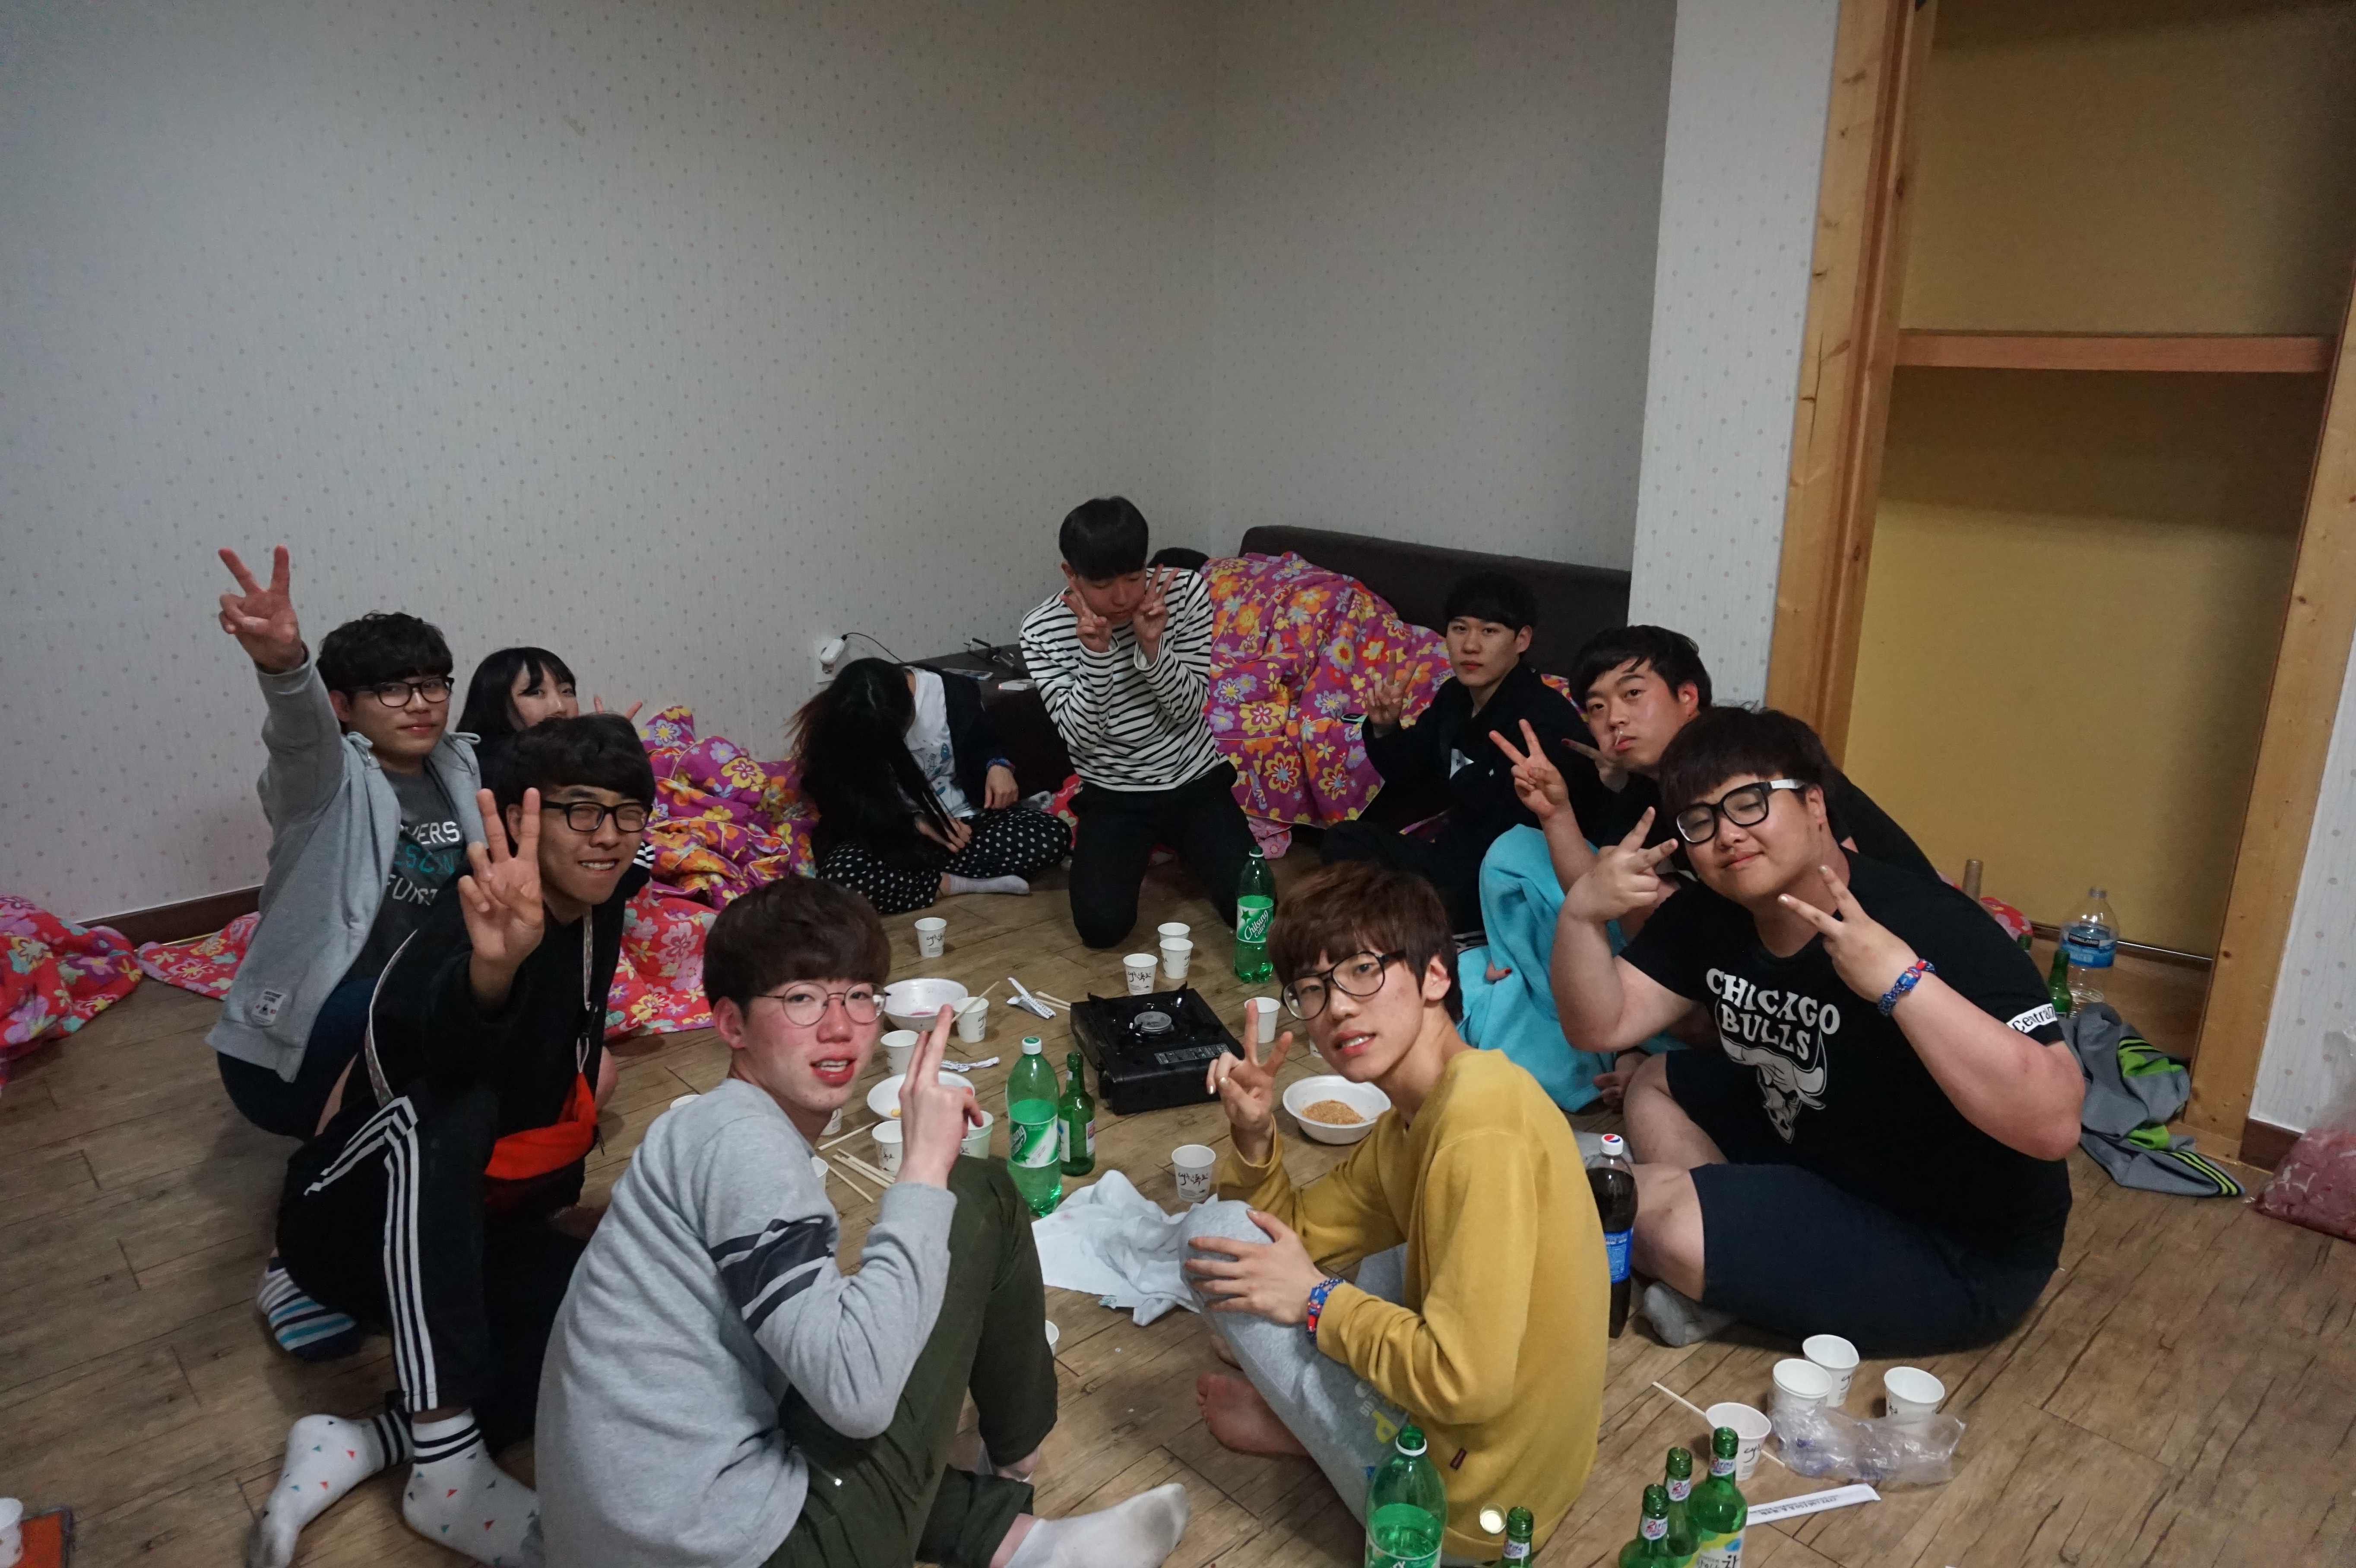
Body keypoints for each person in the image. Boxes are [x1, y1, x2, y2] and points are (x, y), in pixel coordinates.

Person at [534, 876, 1191, 1568]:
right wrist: (924, 1167)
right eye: (801, 998)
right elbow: (858, 1397)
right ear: (730, 1024)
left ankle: (1023, 1544)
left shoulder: (699, 1126)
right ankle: (1017, 1463)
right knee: (978, 1192)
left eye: (858, 996)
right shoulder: (744, 1142)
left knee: (847, 1335)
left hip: (626, 1532)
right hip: (740, 1549)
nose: (840, 1026)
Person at [245, 715, 656, 1568]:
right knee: (451, 1107)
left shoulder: (602, 902)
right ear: (521, 818)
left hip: (466, 1237)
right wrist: (494, 967)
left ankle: (367, 1440)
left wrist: (558, 1218)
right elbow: (444, 1064)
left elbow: (554, 1073)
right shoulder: (472, 921)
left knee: (617, 1299)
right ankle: (446, 1467)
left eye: (627, 812)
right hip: (348, 1224)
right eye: (581, 810)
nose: (609, 834)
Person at [1550, 706, 2081, 1354]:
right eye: (1699, 820)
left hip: (1953, 1250)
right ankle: (1740, 1263)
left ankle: (1720, 1257)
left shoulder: (1930, 922)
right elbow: (1598, 1023)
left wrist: (1901, 983)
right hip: (1822, 1156)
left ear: (1815, 804)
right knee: (1657, 1080)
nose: (1727, 835)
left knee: (1646, 1215)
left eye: (1749, 803)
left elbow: (2054, 1124)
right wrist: (1581, 917)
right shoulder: (1712, 913)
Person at [1179, 861, 1606, 1563]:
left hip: (1461, 1513)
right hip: (1521, 1462)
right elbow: (1292, 1236)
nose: (1337, 1008)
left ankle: (1306, 1428)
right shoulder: (1419, 1115)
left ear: (1436, 975)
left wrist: (1316, 1301)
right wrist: (1254, 1137)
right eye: (1312, 989)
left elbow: (1465, 1381)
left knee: (1209, 1236)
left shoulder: (1477, 1131)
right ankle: (1312, 1418)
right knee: (1356, 1257)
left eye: (1362, 971)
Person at [1466, 626, 1936, 1108]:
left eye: (1632, 694)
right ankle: (1660, 1039)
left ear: (1688, 696)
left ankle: (1693, 1044)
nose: (1614, 719)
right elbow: (1599, 889)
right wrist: (1556, 813)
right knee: (1538, 865)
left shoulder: (1752, 761)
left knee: (1659, 901)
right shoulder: (1644, 787)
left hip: (1877, 958)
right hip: (1754, 975)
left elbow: (1838, 884)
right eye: (1597, 707)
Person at [212, 547, 484, 1362]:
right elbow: (299, 735)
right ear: (344, 704)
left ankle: (445, 1211)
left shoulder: (458, 764)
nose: (421, 703)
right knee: (408, 1013)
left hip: (409, 1016)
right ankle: (292, 1260)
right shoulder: (326, 779)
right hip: (304, 1042)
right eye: (393, 689)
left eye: (433, 683)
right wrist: (285, 664)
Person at [1018, 496, 1257, 948]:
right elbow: (1082, 737)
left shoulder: (1183, 593)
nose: (1123, 597)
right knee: (1101, 929)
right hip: (1114, 794)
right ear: (1071, 574)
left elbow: (1187, 710)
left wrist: (1153, 647)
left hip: (1195, 780)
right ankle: (1162, 848)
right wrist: (1096, 657)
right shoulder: (1041, 629)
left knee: (1253, 909)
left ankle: (1189, 846)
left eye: (1133, 577)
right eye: (1102, 584)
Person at [1320, 571, 1582, 933]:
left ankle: (1410, 920)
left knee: (1437, 902)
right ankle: (1403, 919)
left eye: (1489, 631)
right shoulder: (1455, 697)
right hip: (1450, 857)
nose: (1470, 646)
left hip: (1507, 873)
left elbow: (1529, 838)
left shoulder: (1543, 719)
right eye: (1460, 629)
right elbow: (1410, 773)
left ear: (1521, 640)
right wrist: (1385, 728)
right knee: (1345, 840)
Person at [794, 658, 1070, 916]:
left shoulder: (952, 692)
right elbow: (843, 805)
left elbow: (984, 743)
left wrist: (997, 766)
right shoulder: (845, 719)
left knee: (1051, 835)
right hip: (895, 834)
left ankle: (916, 880)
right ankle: (955, 883)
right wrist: (914, 823)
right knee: (841, 872)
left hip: (965, 825)